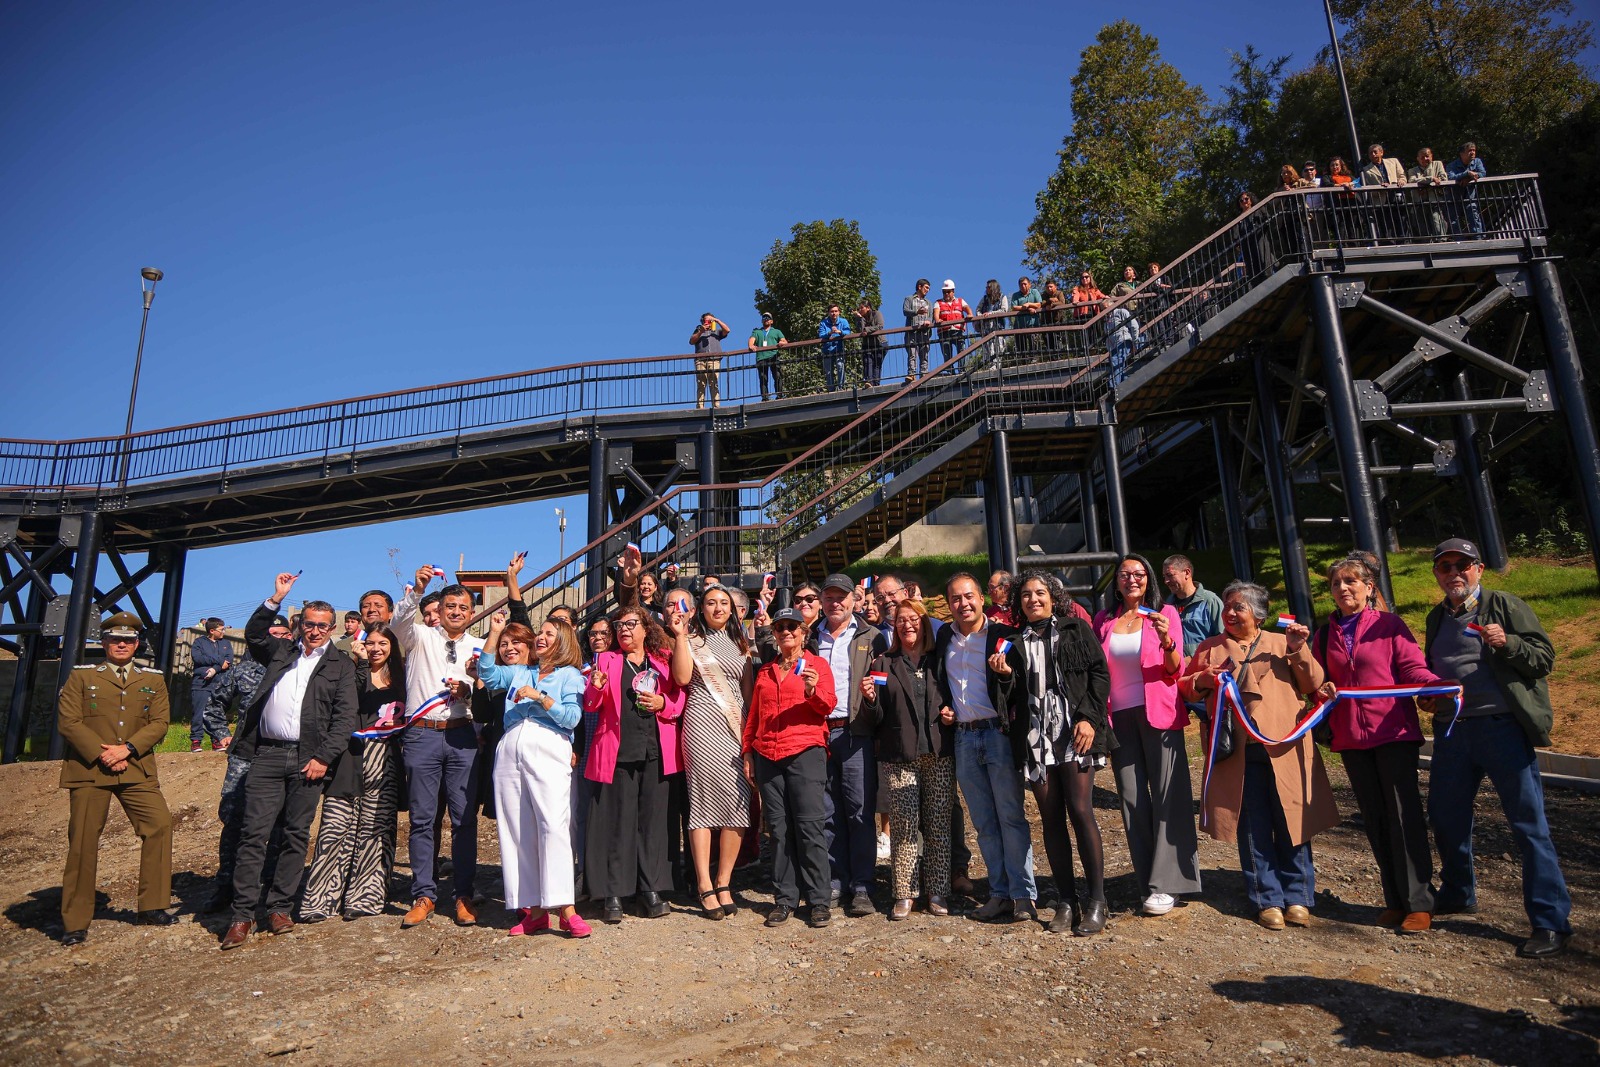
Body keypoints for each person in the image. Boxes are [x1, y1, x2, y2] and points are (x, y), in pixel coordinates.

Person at [1421, 537, 1572, 958]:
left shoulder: (1504, 605)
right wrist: (1430, 696)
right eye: (1445, 566)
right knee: (1445, 816)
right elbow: (1436, 670)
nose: (1454, 573)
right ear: (1437, 574)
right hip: (1452, 730)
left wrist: (1509, 642)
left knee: (1528, 824)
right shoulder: (1436, 617)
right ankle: (1458, 892)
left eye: (1462, 565)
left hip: (1502, 728)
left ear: (1479, 569)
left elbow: (1544, 658)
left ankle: (1551, 922)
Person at [1181, 581, 1337, 930]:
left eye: (1239, 607)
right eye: (1227, 606)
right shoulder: (1211, 647)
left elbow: (1313, 683)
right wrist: (1204, 677)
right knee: (1253, 825)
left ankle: (1298, 896)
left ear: (1259, 614)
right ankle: (1267, 899)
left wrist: (1298, 649)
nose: (1230, 613)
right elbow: (1186, 687)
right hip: (1239, 752)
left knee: (1293, 820)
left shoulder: (1282, 643)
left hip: (1285, 746)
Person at [221, 574, 358, 949]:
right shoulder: (281, 651)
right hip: (267, 755)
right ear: (300, 625)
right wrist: (276, 598)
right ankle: (242, 915)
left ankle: (280, 907)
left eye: (322, 626)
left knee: (295, 836)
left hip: (308, 760)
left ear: (332, 629)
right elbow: (253, 635)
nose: (315, 631)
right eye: (309, 624)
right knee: (253, 835)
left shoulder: (341, 665)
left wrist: (323, 757)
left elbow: (344, 719)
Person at [1310, 554, 1440, 933]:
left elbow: (1412, 668)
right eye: (1336, 583)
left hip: (1393, 732)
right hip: (1351, 738)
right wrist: (1320, 689)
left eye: (1350, 581)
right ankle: (1395, 901)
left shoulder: (1389, 625)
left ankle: (1419, 901)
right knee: (1375, 818)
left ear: (1369, 588)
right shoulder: (1324, 634)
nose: (1342, 588)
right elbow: (1316, 683)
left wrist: (1433, 686)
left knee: (1403, 816)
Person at [996, 572, 1111, 935]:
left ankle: (1097, 901)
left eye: (1040, 593)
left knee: (1080, 810)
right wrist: (1003, 676)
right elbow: (1007, 697)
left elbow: (1099, 675)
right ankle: (1066, 900)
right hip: (1036, 737)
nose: (1033, 599)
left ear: (1053, 597)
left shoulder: (1076, 629)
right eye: (1026, 595)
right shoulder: (1012, 641)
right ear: (1019, 603)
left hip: (1076, 731)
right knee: (1050, 818)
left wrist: (1089, 718)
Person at [56, 612, 175, 946]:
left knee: (159, 824)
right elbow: (68, 722)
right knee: (83, 840)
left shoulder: (153, 679)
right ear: (104, 642)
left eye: (128, 640)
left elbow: (160, 722)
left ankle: (152, 906)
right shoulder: (81, 676)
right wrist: (103, 753)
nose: (121, 644)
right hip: (89, 769)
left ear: (136, 644)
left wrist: (127, 749)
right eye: (115, 639)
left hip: (135, 766)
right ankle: (75, 921)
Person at [1092, 553, 1199, 916]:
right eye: (1125, 574)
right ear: (1116, 582)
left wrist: (1167, 640)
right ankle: (1147, 882)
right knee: (1132, 799)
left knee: (1170, 798)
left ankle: (1169, 884)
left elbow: (1174, 670)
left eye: (1138, 573)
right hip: (1119, 717)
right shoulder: (1104, 620)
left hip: (1159, 714)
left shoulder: (1165, 614)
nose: (1132, 579)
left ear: (1148, 578)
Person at [478, 612, 590, 938]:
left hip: (549, 744)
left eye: (549, 634)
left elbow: (571, 718)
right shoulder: (520, 670)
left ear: (563, 641)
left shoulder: (570, 675)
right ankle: (534, 911)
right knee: (517, 829)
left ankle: (566, 909)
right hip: (510, 746)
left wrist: (540, 697)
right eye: (540, 632)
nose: (540, 637)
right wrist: (495, 632)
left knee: (553, 825)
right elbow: (487, 673)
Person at [937, 573, 1036, 922]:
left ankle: (1023, 894)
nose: (963, 604)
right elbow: (941, 683)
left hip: (998, 734)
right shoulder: (944, 637)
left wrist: (1006, 675)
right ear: (948, 604)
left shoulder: (1003, 636)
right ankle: (999, 893)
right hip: (964, 737)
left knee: (1010, 817)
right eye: (955, 598)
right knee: (984, 822)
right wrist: (946, 708)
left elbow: (1022, 686)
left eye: (969, 596)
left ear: (982, 598)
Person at [390, 566, 485, 929]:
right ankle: (424, 894)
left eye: (463, 607)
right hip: (422, 735)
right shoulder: (419, 636)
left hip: (462, 735)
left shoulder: (479, 646)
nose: (456, 612)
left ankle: (463, 894)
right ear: (440, 610)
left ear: (472, 612)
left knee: (464, 819)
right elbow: (397, 624)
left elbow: (488, 692)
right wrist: (416, 590)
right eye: (450, 606)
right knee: (422, 819)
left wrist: (469, 691)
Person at [582, 606, 684, 920]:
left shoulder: (663, 660)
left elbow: (680, 696)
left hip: (656, 750)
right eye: (619, 625)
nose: (624, 629)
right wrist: (596, 686)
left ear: (645, 628)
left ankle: (650, 889)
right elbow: (591, 705)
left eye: (630, 623)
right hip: (618, 753)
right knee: (617, 823)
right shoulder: (606, 660)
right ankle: (614, 892)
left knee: (653, 824)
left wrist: (663, 702)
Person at [299, 624, 406, 922]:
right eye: (370, 643)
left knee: (376, 828)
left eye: (382, 643)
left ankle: (367, 896)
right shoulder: (350, 671)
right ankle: (320, 899)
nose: (376, 649)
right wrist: (359, 664)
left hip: (385, 760)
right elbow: (351, 700)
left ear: (392, 646)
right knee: (334, 827)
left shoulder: (404, 678)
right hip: (348, 756)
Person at [859, 599, 953, 920]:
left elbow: (953, 698)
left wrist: (951, 713)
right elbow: (876, 717)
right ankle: (904, 892)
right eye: (901, 620)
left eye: (913, 619)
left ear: (924, 623)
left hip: (938, 753)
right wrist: (870, 700)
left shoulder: (939, 660)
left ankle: (937, 890)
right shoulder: (883, 663)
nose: (907, 625)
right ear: (895, 626)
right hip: (899, 755)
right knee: (904, 826)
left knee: (938, 825)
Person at [744, 607, 837, 928]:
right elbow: (754, 716)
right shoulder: (766, 671)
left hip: (804, 752)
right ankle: (785, 898)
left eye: (792, 627)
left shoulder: (817, 666)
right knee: (779, 830)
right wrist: (748, 752)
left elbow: (828, 705)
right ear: (774, 633)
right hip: (768, 755)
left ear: (803, 632)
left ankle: (819, 899)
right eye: (780, 627)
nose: (786, 632)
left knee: (810, 827)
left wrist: (811, 690)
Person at [669, 584, 754, 924]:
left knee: (738, 802)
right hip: (702, 725)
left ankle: (724, 881)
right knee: (703, 805)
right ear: (700, 608)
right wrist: (679, 636)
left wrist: (748, 735)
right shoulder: (692, 639)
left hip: (734, 728)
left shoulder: (741, 642)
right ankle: (704, 883)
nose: (718, 608)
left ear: (733, 609)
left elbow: (747, 692)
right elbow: (681, 678)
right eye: (711, 603)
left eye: (724, 603)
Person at [202, 612, 290, 915]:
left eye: (284, 635)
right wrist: (222, 735)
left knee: (279, 823)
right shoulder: (243, 671)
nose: (279, 640)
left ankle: (271, 885)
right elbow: (214, 704)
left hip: (281, 756)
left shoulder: (294, 669)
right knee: (235, 819)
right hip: (245, 757)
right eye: (273, 635)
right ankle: (226, 884)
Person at [811, 573, 889, 916]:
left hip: (856, 731)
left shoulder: (872, 637)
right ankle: (834, 881)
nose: (835, 603)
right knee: (827, 810)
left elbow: (884, 686)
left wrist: (873, 704)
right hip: (819, 733)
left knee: (859, 810)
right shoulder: (810, 637)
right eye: (828, 597)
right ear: (821, 602)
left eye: (841, 597)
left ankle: (862, 885)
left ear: (854, 600)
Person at [1161, 554, 1224, 657]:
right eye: (1164, 576)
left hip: (1205, 665)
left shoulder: (1210, 601)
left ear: (1187, 573)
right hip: (1175, 665)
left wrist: (1199, 659)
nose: (1166, 581)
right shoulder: (1167, 605)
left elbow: (1223, 639)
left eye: (1170, 575)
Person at [190, 617, 233, 752]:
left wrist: (215, 669)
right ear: (212, 630)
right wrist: (219, 661)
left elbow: (228, 661)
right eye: (221, 629)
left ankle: (216, 740)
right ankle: (196, 741)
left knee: (217, 713)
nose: (223, 632)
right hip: (201, 683)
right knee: (199, 713)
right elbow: (198, 659)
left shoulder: (226, 643)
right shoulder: (199, 642)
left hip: (220, 683)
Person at [1407, 147, 1450, 239]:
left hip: (1435, 200)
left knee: (1438, 223)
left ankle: (1442, 241)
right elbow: (1412, 181)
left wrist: (1425, 187)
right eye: (1422, 157)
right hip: (1419, 203)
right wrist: (1431, 179)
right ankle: (1426, 244)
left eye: (1427, 156)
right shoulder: (1412, 170)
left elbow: (1443, 178)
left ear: (1431, 156)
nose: (1425, 159)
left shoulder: (1437, 164)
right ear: (1418, 159)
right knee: (1422, 228)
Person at [1446, 142, 1488, 236]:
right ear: (1462, 154)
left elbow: (1482, 173)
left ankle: (1478, 238)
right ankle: (1458, 240)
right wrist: (1467, 173)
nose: (1472, 153)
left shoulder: (1477, 161)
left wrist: (1469, 178)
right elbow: (1450, 177)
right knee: (1454, 220)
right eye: (1469, 151)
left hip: (1470, 196)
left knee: (1473, 215)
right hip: (1454, 197)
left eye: (1474, 150)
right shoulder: (1452, 165)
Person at [690, 312, 730, 409]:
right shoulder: (698, 330)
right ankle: (700, 407)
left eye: (710, 320)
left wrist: (717, 321)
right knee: (701, 383)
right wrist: (700, 331)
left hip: (714, 359)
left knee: (713, 382)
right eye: (706, 320)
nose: (708, 321)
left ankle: (716, 405)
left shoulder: (716, 331)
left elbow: (727, 330)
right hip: (700, 360)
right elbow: (691, 341)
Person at [934, 280, 972, 374]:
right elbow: (936, 314)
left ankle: (961, 369)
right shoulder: (938, 303)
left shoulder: (960, 301)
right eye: (944, 292)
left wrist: (969, 314)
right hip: (944, 331)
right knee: (946, 351)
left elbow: (967, 309)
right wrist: (937, 319)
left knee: (961, 349)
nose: (946, 294)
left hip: (957, 330)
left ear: (953, 291)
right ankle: (950, 371)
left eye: (948, 291)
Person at [749, 311, 787, 401]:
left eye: (768, 318)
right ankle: (765, 397)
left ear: (771, 321)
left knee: (777, 375)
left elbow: (784, 341)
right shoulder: (757, 332)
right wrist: (751, 345)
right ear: (762, 320)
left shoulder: (776, 331)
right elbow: (751, 340)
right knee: (763, 378)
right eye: (764, 318)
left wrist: (782, 342)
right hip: (761, 357)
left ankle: (779, 395)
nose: (766, 319)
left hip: (774, 356)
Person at [902, 278, 933, 381]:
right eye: (926, 287)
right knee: (912, 354)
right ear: (920, 287)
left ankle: (924, 374)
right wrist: (917, 312)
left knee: (924, 354)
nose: (927, 290)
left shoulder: (928, 302)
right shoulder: (909, 299)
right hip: (912, 331)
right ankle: (912, 374)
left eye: (928, 288)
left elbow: (931, 316)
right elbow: (905, 311)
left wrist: (928, 321)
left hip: (924, 332)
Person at [818, 304, 852, 392]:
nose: (834, 313)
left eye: (836, 311)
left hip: (839, 348)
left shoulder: (843, 321)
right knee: (828, 371)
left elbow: (848, 332)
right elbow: (821, 335)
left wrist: (840, 332)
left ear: (839, 312)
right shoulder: (823, 323)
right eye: (832, 311)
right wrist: (829, 333)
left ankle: (841, 387)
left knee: (840, 366)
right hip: (827, 350)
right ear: (828, 313)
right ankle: (831, 389)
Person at [854, 298, 887, 388]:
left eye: (862, 308)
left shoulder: (876, 314)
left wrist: (867, 330)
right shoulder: (861, 318)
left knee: (877, 364)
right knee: (867, 362)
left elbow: (880, 326)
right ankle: (869, 382)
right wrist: (860, 319)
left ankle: (876, 384)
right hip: (867, 344)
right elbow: (860, 330)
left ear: (868, 308)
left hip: (880, 342)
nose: (860, 310)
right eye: (859, 308)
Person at [976, 279, 1010, 364]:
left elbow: (1004, 310)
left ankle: (996, 366)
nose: (986, 288)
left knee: (999, 347)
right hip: (986, 329)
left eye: (988, 287)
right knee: (988, 349)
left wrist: (991, 314)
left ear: (993, 287)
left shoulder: (1002, 297)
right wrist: (981, 316)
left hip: (998, 328)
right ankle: (991, 366)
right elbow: (978, 309)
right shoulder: (984, 299)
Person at [1011, 276, 1043, 359]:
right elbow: (1014, 307)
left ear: (1029, 284)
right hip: (1019, 325)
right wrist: (1027, 308)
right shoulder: (1016, 295)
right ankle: (1023, 360)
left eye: (1025, 284)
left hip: (1033, 323)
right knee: (1021, 345)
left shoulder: (1034, 292)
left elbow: (1039, 304)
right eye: (1021, 285)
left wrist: (1029, 304)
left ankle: (1034, 359)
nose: (1023, 286)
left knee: (1034, 342)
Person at [1040, 279, 1069, 356]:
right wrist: (1050, 300)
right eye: (1047, 287)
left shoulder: (1059, 293)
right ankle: (1052, 356)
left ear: (1055, 287)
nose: (1049, 289)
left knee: (1058, 338)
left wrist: (1052, 305)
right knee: (1048, 339)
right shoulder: (1044, 295)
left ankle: (1059, 355)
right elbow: (1041, 303)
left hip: (1058, 320)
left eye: (1051, 287)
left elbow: (1062, 303)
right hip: (1046, 321)